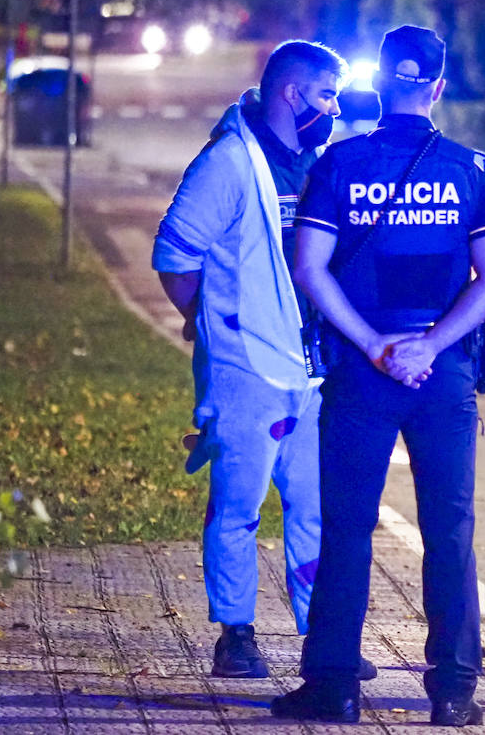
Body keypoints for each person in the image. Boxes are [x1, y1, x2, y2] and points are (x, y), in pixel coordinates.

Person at [271, 25, 485, 727]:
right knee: (450, 529)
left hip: (363, 371)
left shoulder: (340, 163)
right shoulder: (474, 170)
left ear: (376, 85)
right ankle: (454, 691)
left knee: (346, 526)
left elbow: (308, 268)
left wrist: (376, 344)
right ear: (439, 86)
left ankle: (335, 686)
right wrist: (429, 345)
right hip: (440, 375)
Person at [152, 40, 355, 678]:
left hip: (310, 365)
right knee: (237, 506)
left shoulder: (315, 161)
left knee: (315, 505)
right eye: (327, 95)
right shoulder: (229, 162)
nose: (335, 108)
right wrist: (210, 325)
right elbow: (175, 256)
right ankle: (234, 634)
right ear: (292, 94)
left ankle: (319, 636)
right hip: (247, 371)